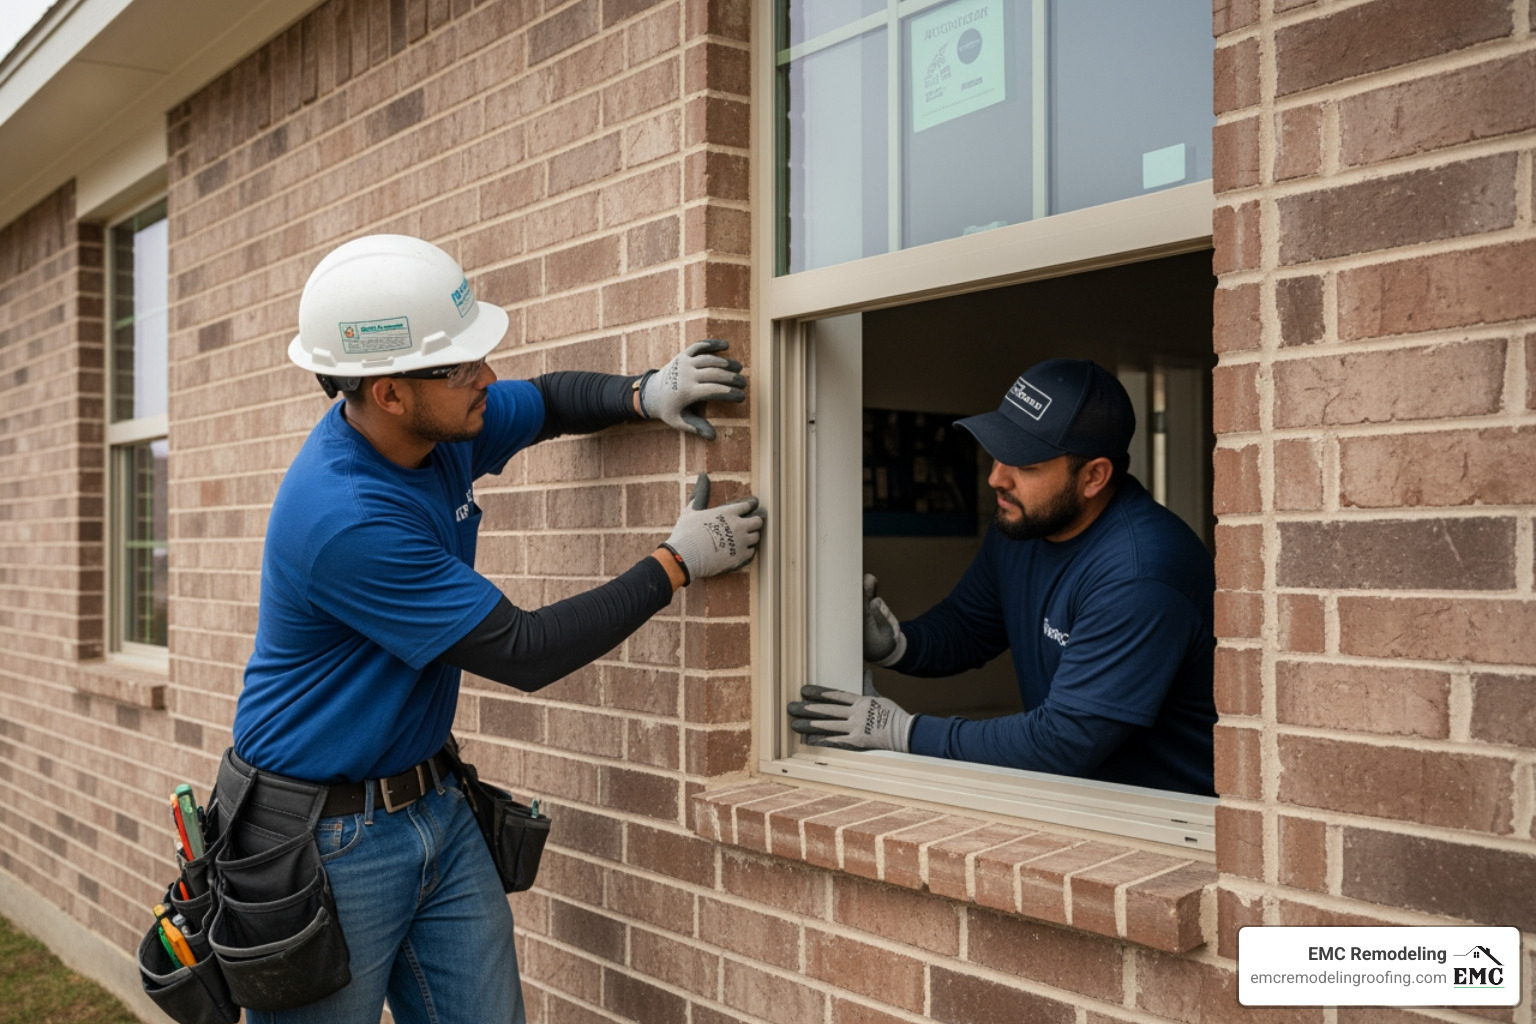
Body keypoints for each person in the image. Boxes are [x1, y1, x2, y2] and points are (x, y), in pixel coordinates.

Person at [228, 234, 763, 1024]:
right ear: (390, 394)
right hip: (324, 845)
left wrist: (645, 392)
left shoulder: (437, 427)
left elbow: (545, 399)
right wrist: (675, 562)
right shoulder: (345, 519)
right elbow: (525, 650)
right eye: (461, 366)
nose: (487, 377)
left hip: (432, 805)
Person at [787, 358, 1215, 796]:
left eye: (1026, 464)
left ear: (1094, 476)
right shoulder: (1023, 524)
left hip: (1169, 817)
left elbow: (1062, 742)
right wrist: (900, 645)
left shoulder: (1139, 575)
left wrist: (903, 733)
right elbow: (970, 626)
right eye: (998, 450)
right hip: (1081, 797)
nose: (996, 477)